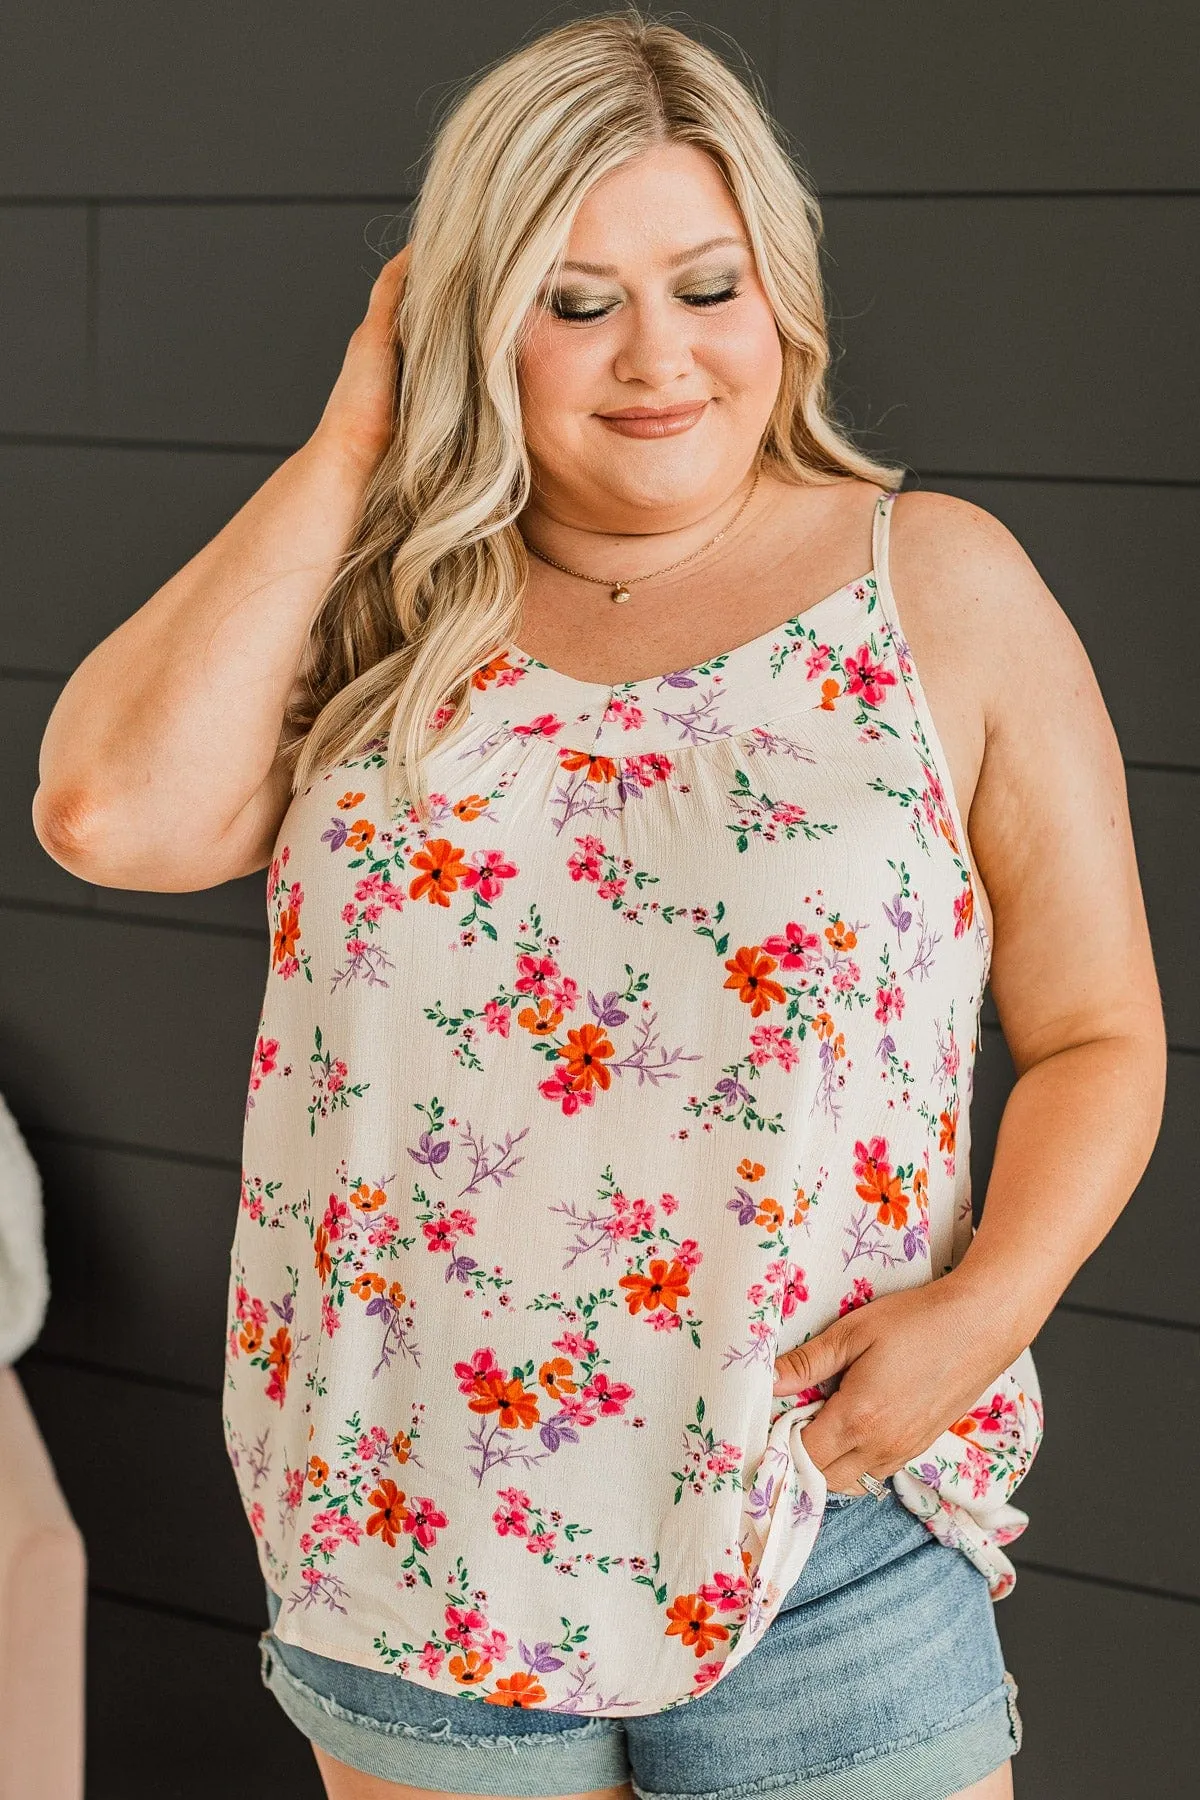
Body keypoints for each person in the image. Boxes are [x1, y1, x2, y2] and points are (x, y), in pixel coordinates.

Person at [33, 10, 1166, 1800]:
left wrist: (990, 1307)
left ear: (780, 294)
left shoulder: (937, 588)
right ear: (475, 324)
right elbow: (106, 812)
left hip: (822, 1520)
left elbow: (1103, 1030)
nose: (659, 358)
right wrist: (354, 443)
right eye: (574, 301)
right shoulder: (394, 614)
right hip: (414, 1531)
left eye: (707, 286)